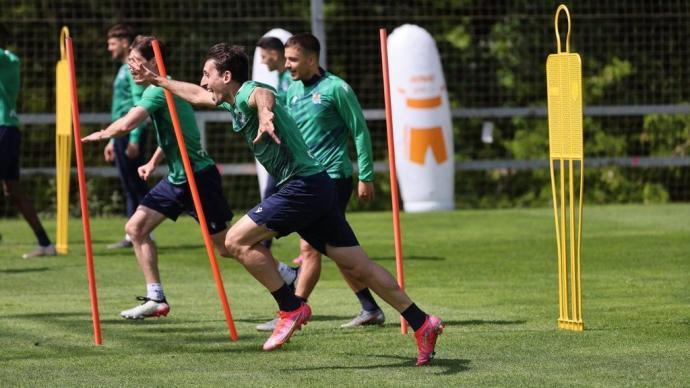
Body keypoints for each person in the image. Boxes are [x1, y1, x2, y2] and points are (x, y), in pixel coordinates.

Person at [141, 42, 443, 365]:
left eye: (207, 74)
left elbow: (262, 95)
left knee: (234, 240)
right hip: (318, 186)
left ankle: (290, 306)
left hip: (302, 187)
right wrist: (159, 80)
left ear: (226, 76)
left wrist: (266, 112)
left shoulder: (246, 93)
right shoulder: (229, 99)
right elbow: (195, 95)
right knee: (359, 266)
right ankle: (422, 323)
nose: (202, 81)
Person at [82, 36, 297, 320]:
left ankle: (286, 274)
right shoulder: (163, 89)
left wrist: (105, 133)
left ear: (153, 63)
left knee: (227, 246)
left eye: (136, 62)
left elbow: (129, 122)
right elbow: (177, 133)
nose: (132, 68)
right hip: (177, 178)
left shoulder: (157, 91)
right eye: (130, 62)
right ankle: (156, 297)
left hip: (198, 177)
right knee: (136, 228)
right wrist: (154, 160)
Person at [256, 33, 383, 332]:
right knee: (335, 248)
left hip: (334, 177)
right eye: (286, 59)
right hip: (307, 180)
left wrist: (366, 175)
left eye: (293, 59)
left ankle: (292, 311)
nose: (287, 65)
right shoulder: (293, 90)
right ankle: (369, 307)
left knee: (311, 249)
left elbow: (360, 131)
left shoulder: (336, 89)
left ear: (312, 59)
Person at [0, 26, 56, 259]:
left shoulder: (5, 58)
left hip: (2, 127)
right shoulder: (11, 59)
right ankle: (45, 243)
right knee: (12, 189)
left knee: (13, 190)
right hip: (9, 129)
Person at [103, 24, 150, 249]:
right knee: (129, 184)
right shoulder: (123, 69)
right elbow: (118, 108)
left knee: (135, 184)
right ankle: (136, 232)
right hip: (121, 132)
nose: (109, 48)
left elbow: (138, 103)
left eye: (112, 43)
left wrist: (133, 139)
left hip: (130, 131)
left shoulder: (132, 69)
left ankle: (140, 231)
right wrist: (113, 140)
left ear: (124, 42)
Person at [254, 36, 292, 248]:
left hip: (291, 148)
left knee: (272, 193)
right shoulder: (281, 78)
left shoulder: (290, 79)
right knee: (272, 193)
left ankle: (262, 242)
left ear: (275, 54)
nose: (262, 61)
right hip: (283, 147)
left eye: (264, 56)